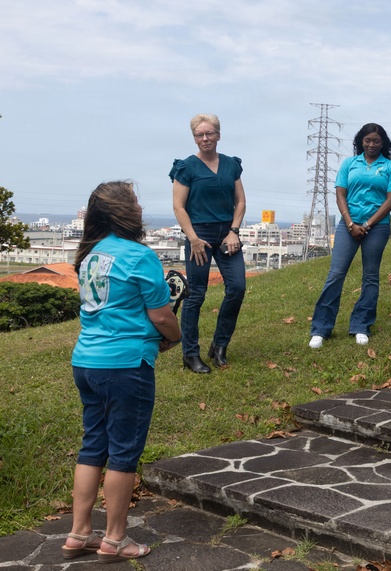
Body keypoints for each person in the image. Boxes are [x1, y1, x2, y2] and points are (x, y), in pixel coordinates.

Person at [64, 181, 181, 563]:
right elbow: (162, 315)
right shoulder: (139, 256)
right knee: (123, 453)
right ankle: (115, 540)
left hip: (86, 361)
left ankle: (79, 533)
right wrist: (174, 338)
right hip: (125, 365)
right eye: (136, 202)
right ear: (128, 211)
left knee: (92, 445)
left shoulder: (89, 254)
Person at [308, 123, 391, 349]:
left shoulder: (390, 167)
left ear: (383, 144)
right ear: (361, 141)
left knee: (370, 276)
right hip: (347, 225)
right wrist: (350, 223)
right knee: (336, 274)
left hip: (376, 227)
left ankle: (361, 326)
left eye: (376, 141)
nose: (371, 144)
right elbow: (340, 193)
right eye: (367, 140)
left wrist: (367, 224)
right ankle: (321, 329)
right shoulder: (350, 163)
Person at [170, 113, 246, 373]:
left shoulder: (230, 164)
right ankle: (190, 354)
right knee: (196, 295)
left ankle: (220, 345)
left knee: (237, 288)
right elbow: (178, 207)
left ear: (218, 135)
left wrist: (234, 231)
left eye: (209, 133)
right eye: (199, 135)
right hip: (198, 235)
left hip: (227, 236)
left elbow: (241, 202)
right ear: (194, 138)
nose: (205, 138)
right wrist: (193, 238)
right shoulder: (186, 167)